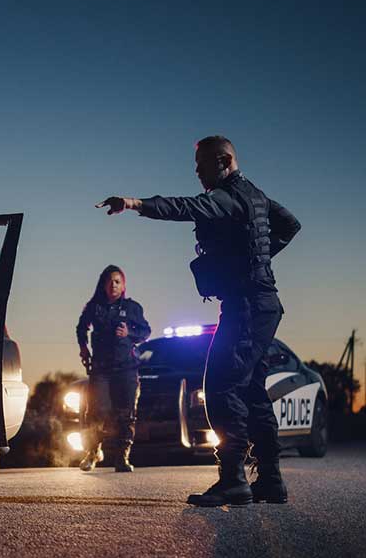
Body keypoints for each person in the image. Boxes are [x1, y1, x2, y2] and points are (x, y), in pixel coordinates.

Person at [96, 136, 301, 506]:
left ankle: (233, 480)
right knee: (252, 392)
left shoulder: (227, 196)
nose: (197, 172)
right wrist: (258, 257)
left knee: (221, 385)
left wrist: (133, 203)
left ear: (224, 161)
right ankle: (270, 480)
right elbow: (290, 224)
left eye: (202, 165)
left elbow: (185, 207)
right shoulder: (255, 195)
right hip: (261, 303)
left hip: (248, 305)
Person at [75, 265, 150, 473]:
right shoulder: (94, 306)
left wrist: (129, 333)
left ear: (123, 285)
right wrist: (83, 348)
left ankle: (122, 457)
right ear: (103, 284)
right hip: (101, 369)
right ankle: (92, 453)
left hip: (126, 369)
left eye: (117, 281)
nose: (113, 285)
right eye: (109, 281)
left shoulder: (132, 307)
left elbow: (145, 331)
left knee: (126, 414)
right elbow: (81, 327)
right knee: (96, 412)